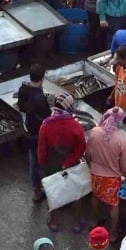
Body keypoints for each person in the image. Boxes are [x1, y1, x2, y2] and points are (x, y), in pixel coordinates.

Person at [39, 95, 88, 232]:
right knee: (75, 192)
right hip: (71, 163)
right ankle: (77, 222)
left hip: (51, 162)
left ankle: (54, 221)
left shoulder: (46, 124)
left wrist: (42, 164)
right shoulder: (75, 125)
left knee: (52, 191)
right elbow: (81, 147)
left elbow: (42, 148)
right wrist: (69, 162)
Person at [87, 106, 126, 233]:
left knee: (96, 196)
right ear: (120, 122)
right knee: (113, 204)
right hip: (111, 178)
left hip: (95, 174)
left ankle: (93, 220)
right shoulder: (122, 140)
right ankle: (113, 232)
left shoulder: (95, 132)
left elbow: (88, 154)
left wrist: (91, 166)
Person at [17, 64, 52, 201]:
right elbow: (47, 118)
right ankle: (42, 190)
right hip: (38, 135)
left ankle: (35, 189)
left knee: (33, 161)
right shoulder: (39, 99)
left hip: (26, 130)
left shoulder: (23, 89)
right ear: (43, 78)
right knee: (42, 162)